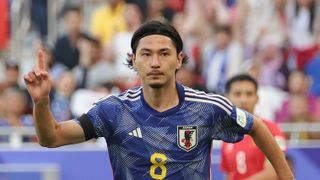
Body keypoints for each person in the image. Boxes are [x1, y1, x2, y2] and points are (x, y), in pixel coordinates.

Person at [24, 21, 293, 179]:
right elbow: (52, 138)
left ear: (179, 60)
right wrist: (42, 102)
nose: (155, 62)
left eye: (164, 53)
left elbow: (257, 125)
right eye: (146, 54)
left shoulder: (208, 108)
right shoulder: (113, 111)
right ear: (133, 60)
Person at [220, 74, 287, 180]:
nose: (243, 99)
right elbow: (230, 175)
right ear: (227, 98)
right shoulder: (225, 134)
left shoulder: (272, 130)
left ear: (257, 98)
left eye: (249, 94)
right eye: (237, 94)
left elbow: (274, 172)